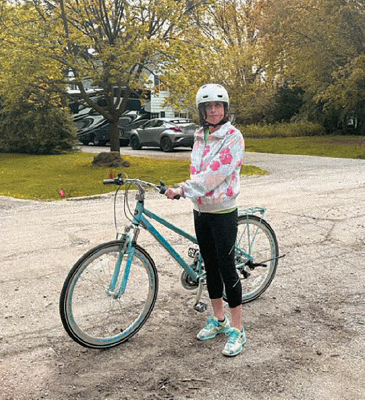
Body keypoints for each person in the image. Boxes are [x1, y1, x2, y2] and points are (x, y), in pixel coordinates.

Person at [165, 84, 246, 357]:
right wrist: (189, 192)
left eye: (217, 106)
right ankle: (219, 321)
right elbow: (197, 168)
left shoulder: (233, 138)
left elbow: (214, 174)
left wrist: (183, 189)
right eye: (208, 107)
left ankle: (238, 330)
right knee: (209, 266)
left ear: (225, 109)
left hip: (223, 211)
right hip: (200, 210)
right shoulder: (200, 135)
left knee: (226, 268)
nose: (213, 111)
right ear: (202, 111)